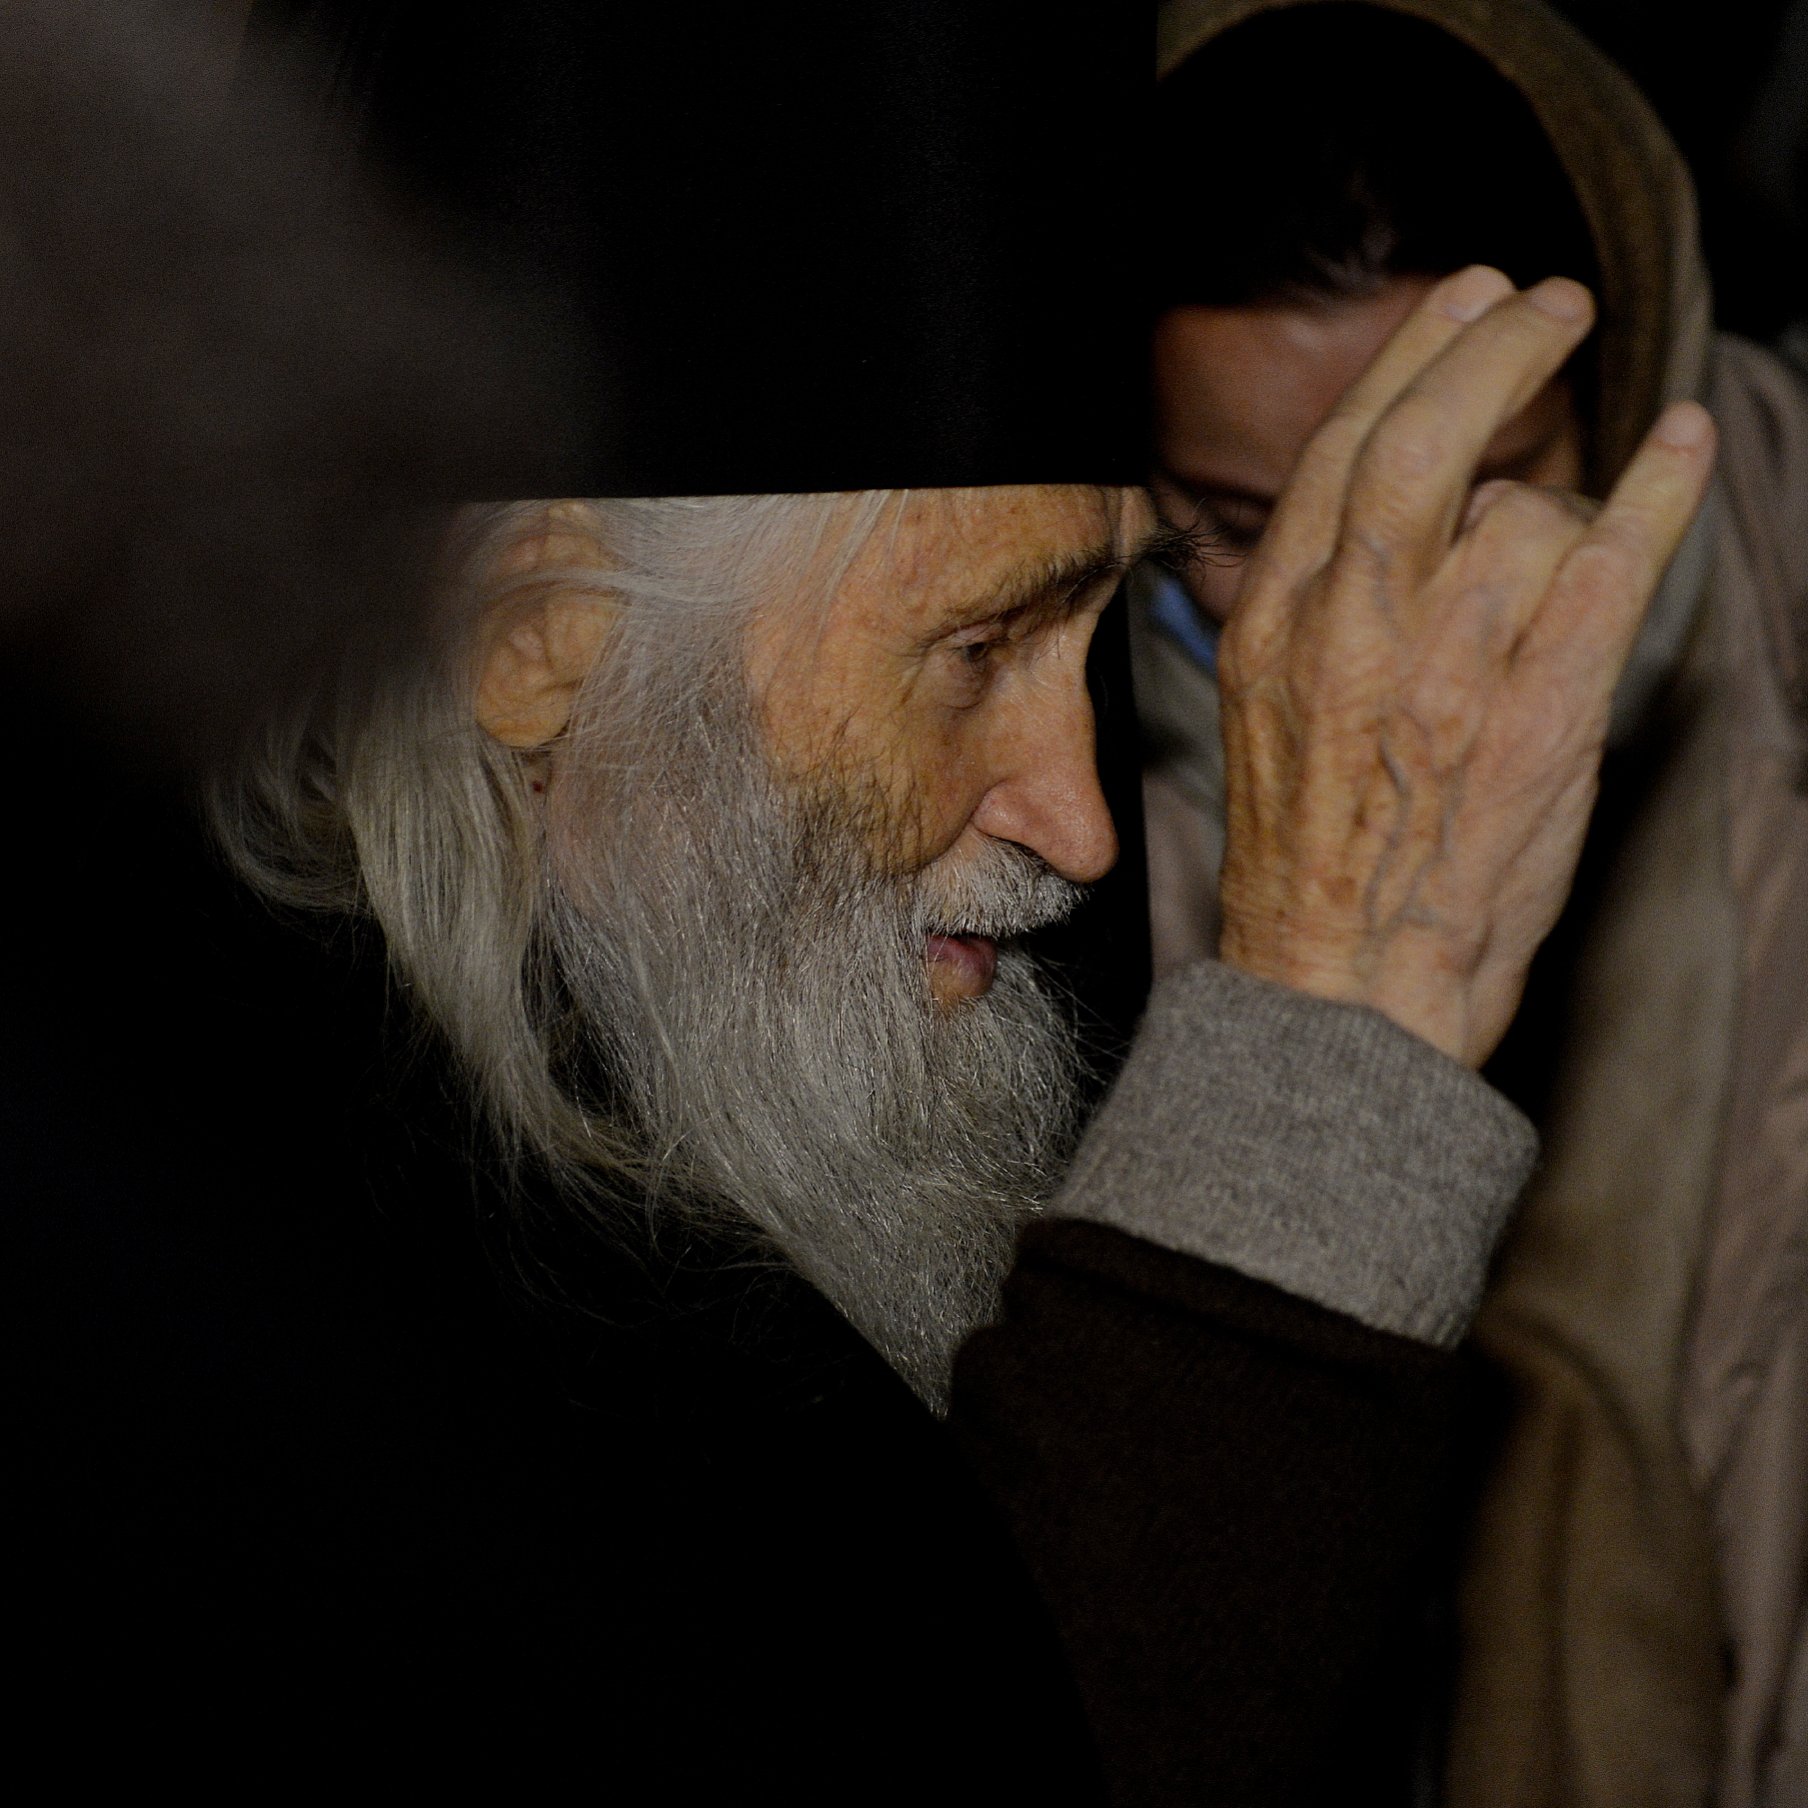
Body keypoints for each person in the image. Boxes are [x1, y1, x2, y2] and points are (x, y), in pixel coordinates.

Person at [5, 2, 1712, 1797]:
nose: (1079, 825)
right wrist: (1336, 1019)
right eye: (976, 651)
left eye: (1093, 634)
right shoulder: (253, 1292)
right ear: (539, 648)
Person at [1140, 4, 1808, 1804]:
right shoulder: (1057, 831)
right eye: (1243, 524)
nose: (1366, 633)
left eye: (1471, 494)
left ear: (1626, 393)